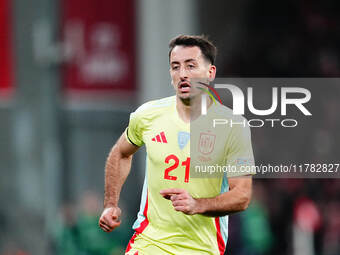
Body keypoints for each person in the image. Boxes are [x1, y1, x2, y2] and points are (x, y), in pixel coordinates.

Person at [99, 34, 255, 255]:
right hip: (149, 242)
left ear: (210, 73)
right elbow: (121, 153)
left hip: (201, 248)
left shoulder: (233, 127)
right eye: (176, 67)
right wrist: (110, 203)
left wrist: (198, 205)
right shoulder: (147, 115)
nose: (183, 74)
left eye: (191, 66)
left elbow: (242, 195)